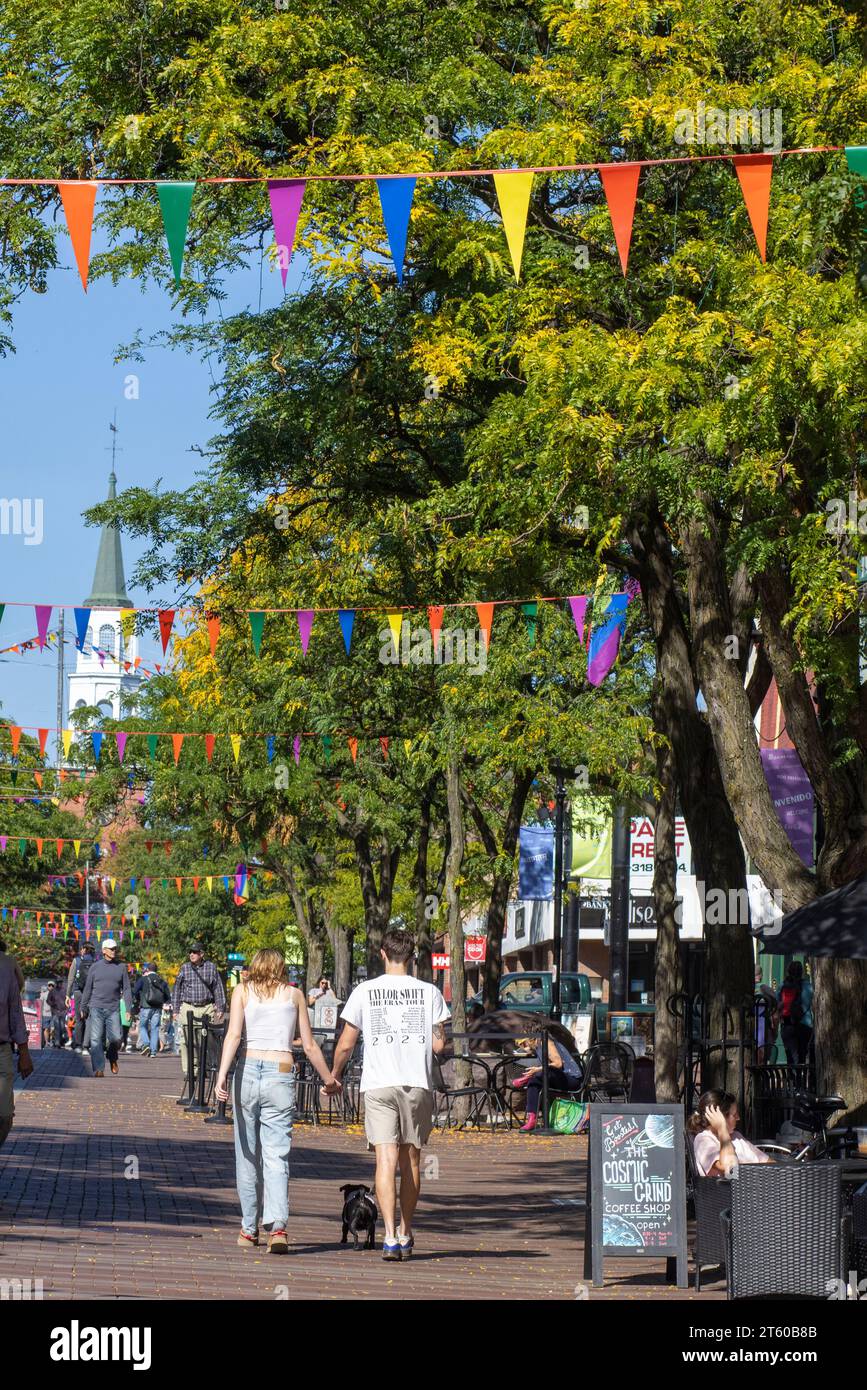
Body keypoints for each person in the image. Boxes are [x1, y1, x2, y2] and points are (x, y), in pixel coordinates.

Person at [331, 924, 450, 1262]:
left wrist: (335, 1076)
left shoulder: (365, 991)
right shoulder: (429, 993)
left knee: (384, 1159)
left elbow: (346, 1043)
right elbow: (440, 1043)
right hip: (416, 1082)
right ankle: (406, 1229)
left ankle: (387, 1235)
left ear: (382, 954)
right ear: (411, 956)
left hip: (379, 1082)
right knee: (411, 1159)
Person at [215, 948, 340, 1252]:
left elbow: (233, 1036)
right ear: (282, 968)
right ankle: (278, 1227)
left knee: (246, 1153)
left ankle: (248, 1229)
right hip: (281, 1071)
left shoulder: (242, 992)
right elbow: (309, 1045)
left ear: (255, 966)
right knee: (276, 1153)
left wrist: (221, 1077)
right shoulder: (294, 995)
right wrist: (328, 1079)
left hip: (248, 1069)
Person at [171, 943, 227, 1082]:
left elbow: (218, 987)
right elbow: (177, 989)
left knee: (205, 1040)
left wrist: (220, 1007)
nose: (192, 954)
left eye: (195, 952)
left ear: (202, 954)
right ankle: (189, 1071)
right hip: (188, 1006)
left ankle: (204, 1067)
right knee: (186, 1040)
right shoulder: (185, 968)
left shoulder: (211, 967)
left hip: (206, 1007)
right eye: (190, 952)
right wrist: (176, 1009)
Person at [511, 1025, 583, 1132]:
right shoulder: (539, 1045)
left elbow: (558, 1064)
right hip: (558, 1077)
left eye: (524, 1043)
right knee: (535, 1082)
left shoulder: (547, 1043)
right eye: (521, 1045)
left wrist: (537, 1069)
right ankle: (532, 1118)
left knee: (540, 1075)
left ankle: (532, 1119)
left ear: (532, 1038)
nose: (524, 1046)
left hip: (571, 1078)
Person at [79, 939, 133, 1077]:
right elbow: (87, 988)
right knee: (96, 1039)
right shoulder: (95, 967)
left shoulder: (121, 967)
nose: (113, 951)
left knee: (116, 1038)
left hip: (113, 1008)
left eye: (115, 948)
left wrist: (128, 1009)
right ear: (103, 950)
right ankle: (99, 1068)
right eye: (110, 948)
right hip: (96, 1007)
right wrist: (83, 1006)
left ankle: (112, 1056)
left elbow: (126, 989)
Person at [688, 1090, 773, 1176]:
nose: (738, 1118)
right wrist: (722, 1129)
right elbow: (731, 1171)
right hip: (733, 1188)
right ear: (720, 1117)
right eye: (735, 1114)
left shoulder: (736, 1136)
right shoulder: (703, 1140)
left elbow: (769, 1163)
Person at [0, 943, 33, 1149]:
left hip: (2, 1048)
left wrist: (24, 1051)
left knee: (4, 1116)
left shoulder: (6, 965)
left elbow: (15, 1011)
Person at [777, 960, 813, 1066]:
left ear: (788, 971)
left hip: (787, 1024)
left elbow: (778, 1003)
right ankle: (800, 1080)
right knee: (802, 1055)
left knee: (790, 1057)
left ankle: (792, 1080)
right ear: (802, 972)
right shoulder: (808, 986)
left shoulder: (783, 986)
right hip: (805, 1024)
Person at [135, 963, 171, 1056]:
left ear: (147, 970)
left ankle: (146, 1044)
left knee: (142, 1026)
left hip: (145, 1006)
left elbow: (134, 991)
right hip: (158, 1008)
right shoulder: (162, 981)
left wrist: (139, 1000)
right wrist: (163, 1003)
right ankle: (153, 1052)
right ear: (156, 970)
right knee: (155, 1029)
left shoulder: (143, 979)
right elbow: (168, 996)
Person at [66, 945, 95, 1053]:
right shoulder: (95, 962)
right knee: (89, 1019)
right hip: (91, 993)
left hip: (78, 992)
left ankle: (78, 1045)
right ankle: (86, 1046)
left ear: (83, 950)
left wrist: (68, 995)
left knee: (79, 1020)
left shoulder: (76, 961)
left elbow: (71, 978)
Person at [754, 965, 779, 1065]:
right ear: (760, 976)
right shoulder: (765, 989)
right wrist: (775, 1030)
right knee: (763, 1057)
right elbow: (775, 1012)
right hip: (764, 1027)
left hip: (748, 1029)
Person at [45, 981, 68, 1048]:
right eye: (58, 982)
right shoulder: (52, 991)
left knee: (62, 1027)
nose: (59, 984)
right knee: (57, 1027)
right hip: (55, 1012)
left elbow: (68, 1000)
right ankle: (57, 1042)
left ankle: (61, 1041)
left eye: (60, 982)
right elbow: (48, 1000)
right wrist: (53, 1005)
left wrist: (66, 1009)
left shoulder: (64, 990)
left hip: (63, 1012)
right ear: (56, 983)